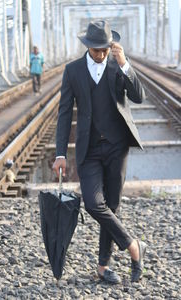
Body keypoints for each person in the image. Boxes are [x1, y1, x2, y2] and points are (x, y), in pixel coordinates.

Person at [53, 20, 147, 284]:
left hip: (117, 147)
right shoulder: (72, 71)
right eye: (96, 49)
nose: (101, 54)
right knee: (95, 203)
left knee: (113, 206)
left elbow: (139, 96)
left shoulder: (118, 65)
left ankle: (103, 267)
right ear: (87, 47)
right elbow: (63, 114)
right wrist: (60, 153)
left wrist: (126, 63)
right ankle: (133, 246)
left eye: (105, 48)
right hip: (89, 149)